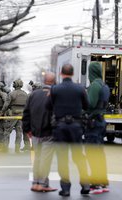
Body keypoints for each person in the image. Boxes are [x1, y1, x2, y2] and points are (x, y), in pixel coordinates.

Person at [46, 64, 90, 197]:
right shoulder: (80, 89)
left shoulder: (55, 89)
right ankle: (85, 183)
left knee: (62, 158)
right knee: (78, 156)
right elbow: (87, 106)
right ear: (72, 74)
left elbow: (48, 106)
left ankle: (65, 188)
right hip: (76, 126)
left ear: (61, 73)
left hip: (60, 126)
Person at [22, 72, 57, 192]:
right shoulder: (54, 95)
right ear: (54, 81)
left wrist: (27, 129)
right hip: (49, 132)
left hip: (35, 132)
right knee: (45, 159)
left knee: (37, 158)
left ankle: (36, 183)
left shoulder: (33, 95)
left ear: (44, 81)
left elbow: (26, 113)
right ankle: (42, 184)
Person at [84, 62, 110, 194]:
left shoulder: (94, 85)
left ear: (91, 72)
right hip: (101, 121)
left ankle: (95, 184)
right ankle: (103, 182)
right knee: (100, 154)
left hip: (93, 123)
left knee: (92, 154)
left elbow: (90, 104)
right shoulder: (104, 85)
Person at [1, 79, 29, 153]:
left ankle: (5, 148)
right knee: (19, 132)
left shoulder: (11, 94)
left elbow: (6, 105)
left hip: (12, 114)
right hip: (21, 116)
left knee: (7, 131)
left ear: (15, 85)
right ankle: (17, 149)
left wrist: (2, 112)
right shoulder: (25, 94)